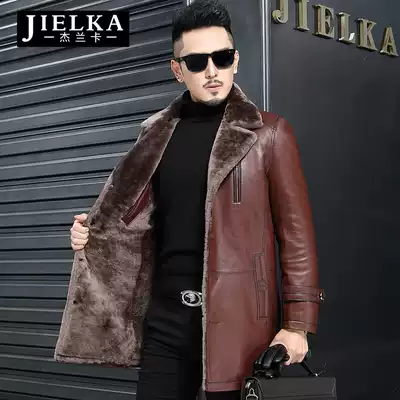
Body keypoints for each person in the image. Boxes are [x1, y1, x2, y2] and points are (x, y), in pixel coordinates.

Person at [54, 1, 324, 399]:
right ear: (177, 70)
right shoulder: (155, 135)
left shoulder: (268, 134)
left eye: (222, 57)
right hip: (166, 323)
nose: (212, 71)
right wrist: (91, 235)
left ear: (235, 61)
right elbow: (134, 220)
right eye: (197, 62)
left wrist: (297, 325)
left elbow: (297, 237)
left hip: (239, 327)